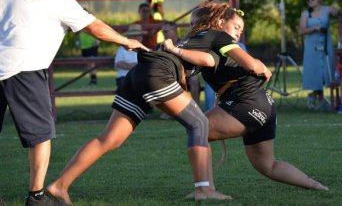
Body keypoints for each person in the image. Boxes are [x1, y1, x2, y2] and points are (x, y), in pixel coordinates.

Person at [0, 0, 146, 206]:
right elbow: (95, 28)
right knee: (40, 135)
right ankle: (36, 197)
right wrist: (125, 41)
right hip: (24, 67)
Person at [163, 3, 329, 193]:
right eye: (237, 27)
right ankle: (317, 186)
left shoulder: (217, 40)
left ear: (216, 22)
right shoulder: (219, 42)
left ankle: (206, 190)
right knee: (267, 165)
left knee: (199, 127)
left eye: (240, 28)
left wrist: (176, 51)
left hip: (246, 102)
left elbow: (222, 62)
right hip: (263, 103)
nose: (195, 28)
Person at [46, 37, 231, 202]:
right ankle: (203, 189)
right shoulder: (219, 36)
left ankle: (59, 186)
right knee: (199, 123)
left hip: (138, 73)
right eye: (236, 26)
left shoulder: (192, 37)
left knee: (110, 139)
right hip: (156, 74)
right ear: (220, 21)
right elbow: (207, 60)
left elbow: (179, 68)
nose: (237, 33)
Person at [299, 0, 339, 110]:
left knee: (326, 71)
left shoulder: (327, 10)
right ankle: (317, 97)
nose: (310, 1)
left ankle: (317, 97)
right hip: (312, 47)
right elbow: (301, 30)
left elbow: (339, 13)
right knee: (315, 72)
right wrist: (314, 28)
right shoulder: (306, 13)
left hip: (326, 45)